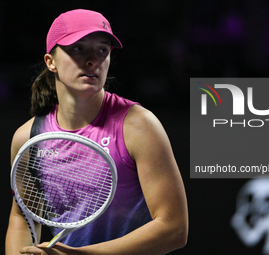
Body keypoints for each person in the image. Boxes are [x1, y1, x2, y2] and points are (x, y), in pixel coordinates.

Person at [5, 9, 188, 255]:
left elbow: (174, 229)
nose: (93, 60)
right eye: (78, 48)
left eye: (102, 50)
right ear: (51, 62)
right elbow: (23, 216)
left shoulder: (139, 126)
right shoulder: (28, 138)